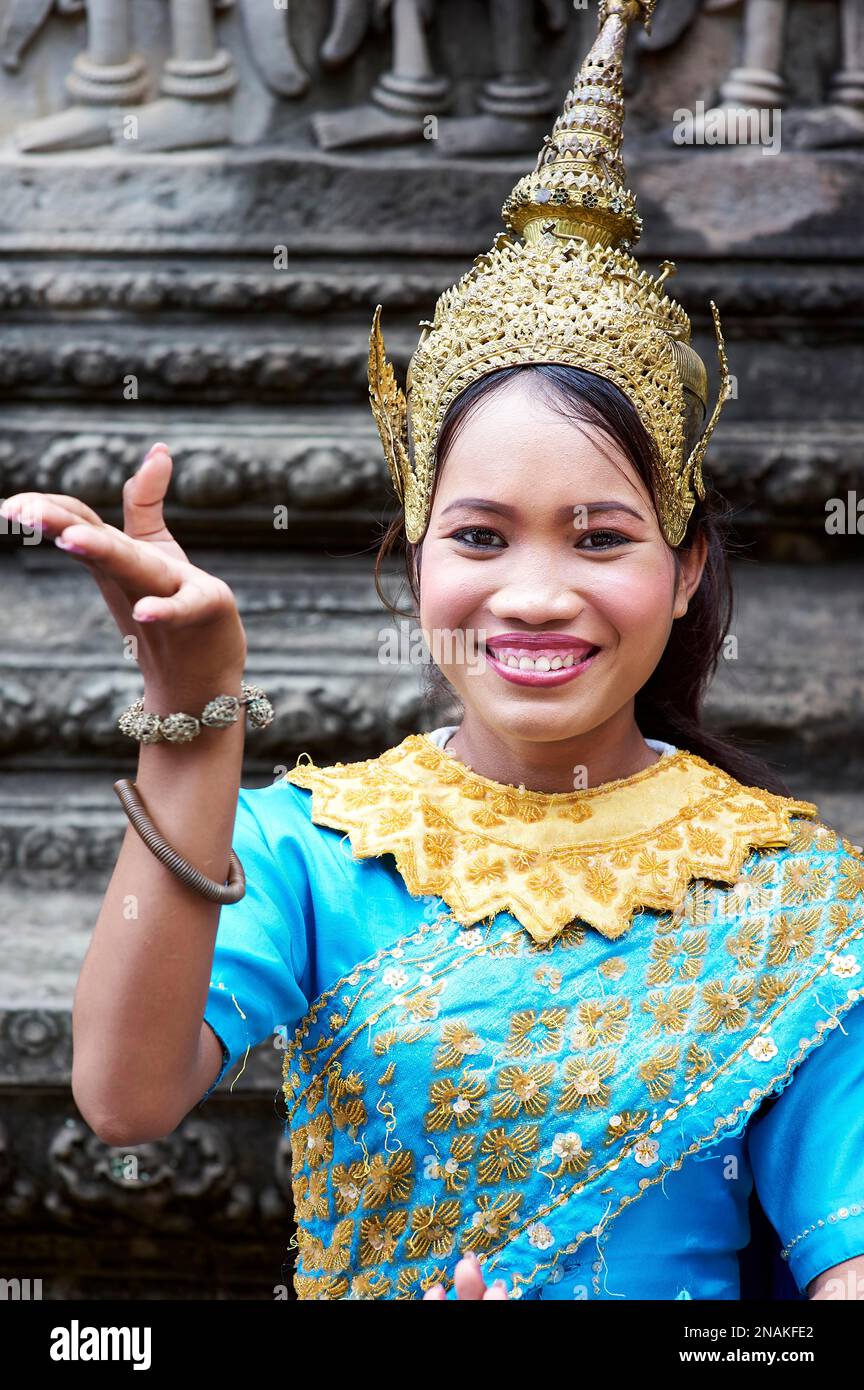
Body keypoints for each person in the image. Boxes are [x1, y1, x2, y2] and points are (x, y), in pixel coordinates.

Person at [4, 0, 862, 1302]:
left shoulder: (801, 901)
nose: (533, 593)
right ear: (415, 559)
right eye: (479, 535)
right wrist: (192, 715)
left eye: (598, 538)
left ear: (685, 570)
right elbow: (124, 1094)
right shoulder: (319, 848)